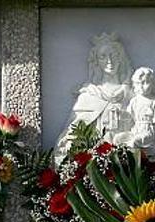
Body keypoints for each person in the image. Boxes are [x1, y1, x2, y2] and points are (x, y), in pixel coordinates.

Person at [56, 33, 133, 162]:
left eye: (113, 55)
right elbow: (73, 132)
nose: (109, 61)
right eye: (103, 56)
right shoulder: (88, 96)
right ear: (96, 62)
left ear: (120, 57)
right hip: (96, 164)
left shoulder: (131, 94)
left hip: (125, 164)